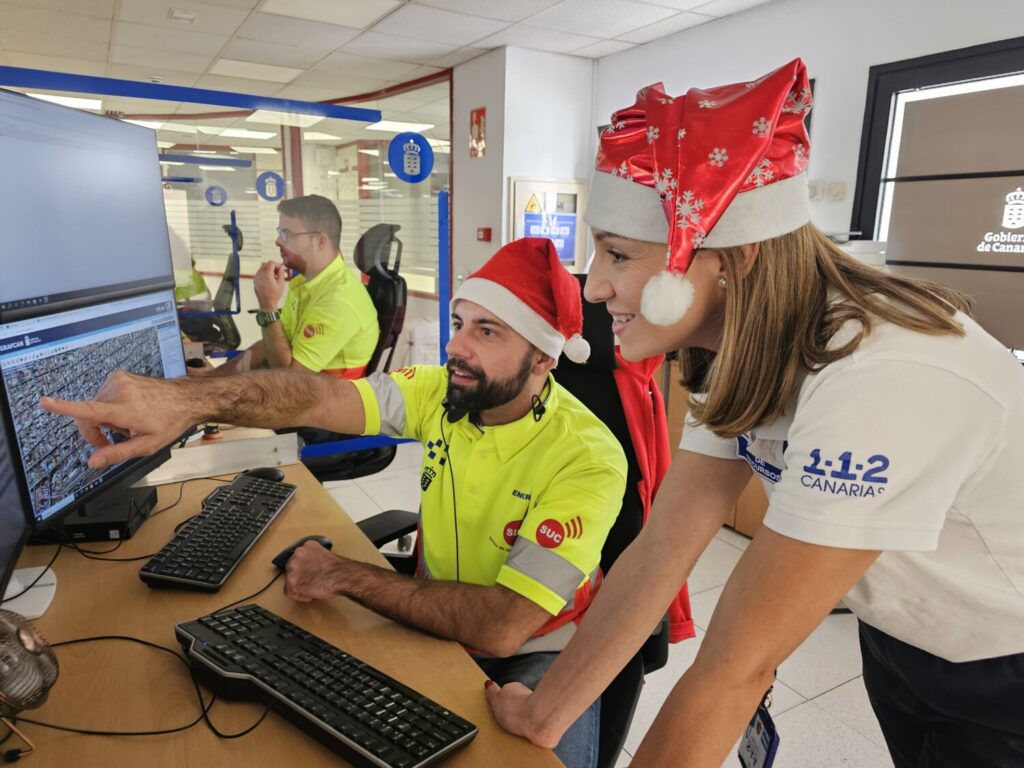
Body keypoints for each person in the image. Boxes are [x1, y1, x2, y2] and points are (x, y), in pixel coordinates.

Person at [483, 58, 1024, 767]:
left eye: (617, 253)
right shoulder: (741, 344)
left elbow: (737, 666)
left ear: (729, 262)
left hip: (1002, 659)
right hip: (906, 629)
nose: (597, 285)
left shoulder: (880, 378)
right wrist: (545, 714)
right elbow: (662, 549)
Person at [41, 238, 627, 768]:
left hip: (538, 650)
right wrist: (186, 401)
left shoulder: (589, 458)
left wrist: (347, 575)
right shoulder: (440, 392)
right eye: (459, 322)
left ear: (544, 359)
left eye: (488, 332)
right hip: (441, 625)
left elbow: (502, 626)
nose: (455, 346)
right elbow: (313, 396)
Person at [205, 194, 379, 379]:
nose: (278, 241)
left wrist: (268, 305)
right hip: (303, 392)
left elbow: (289, 381)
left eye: (287, 234)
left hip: (321, 401)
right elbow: (268, 346)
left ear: (320, 241)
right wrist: (212, 377)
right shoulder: (304, 283)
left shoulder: (340, 301)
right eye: (279, 232)